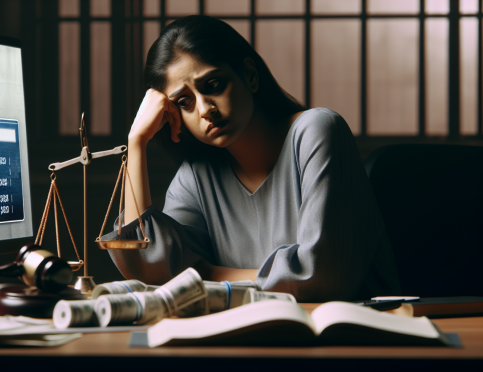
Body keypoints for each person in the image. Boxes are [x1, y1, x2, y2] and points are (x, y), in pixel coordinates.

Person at [101, 15, 399, 302]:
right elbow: (155, 272)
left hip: (348, 337)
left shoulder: (317, 131)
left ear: (250, 76)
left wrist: (208, 273)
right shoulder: (196, 176)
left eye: (213, 86)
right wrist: (136, 143)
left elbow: (320, 277)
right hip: (252, 339)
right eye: (184, 102)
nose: (205, 109)